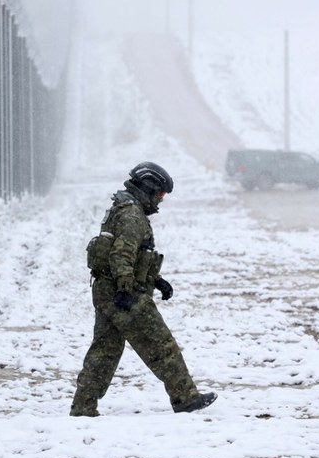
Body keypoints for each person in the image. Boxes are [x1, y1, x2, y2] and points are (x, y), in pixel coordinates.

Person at [70, 161, 216, 416]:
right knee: (161, 344)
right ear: (148, 188)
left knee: (104, 351)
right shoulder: (132, 215)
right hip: (122, 292)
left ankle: (83, 407)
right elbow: (121, 255)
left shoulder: (125, 209)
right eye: (160, 194)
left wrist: (156, 280)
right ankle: (185, 398)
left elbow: (132, 255)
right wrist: (126, 290)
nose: (160, 201)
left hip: (107, 289)